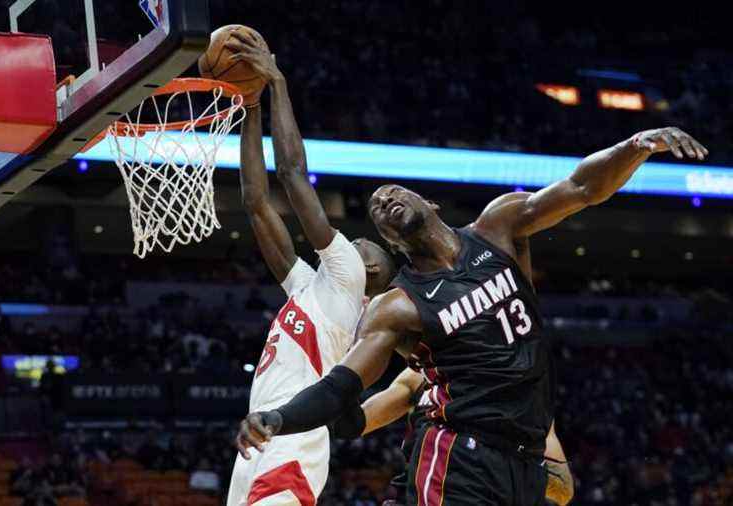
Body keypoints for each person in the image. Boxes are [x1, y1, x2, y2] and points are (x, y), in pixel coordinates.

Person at [236, 124, 708, 505]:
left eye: (393, 191)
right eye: (377, 211)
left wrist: (634, 145)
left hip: (523, 460)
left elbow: (582, 187)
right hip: (459, 455)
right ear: (394, 244)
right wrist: (278, 419)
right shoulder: (398, 306)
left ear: (430, 202)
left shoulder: (498, 226)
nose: (383, 201)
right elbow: (343, 388)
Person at [225, 29, 396, 506]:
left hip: (293, 440)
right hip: (259, 434)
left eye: (368, 245)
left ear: (374, 272)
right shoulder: (311, 286)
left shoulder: (349, 278)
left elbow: (293, 175)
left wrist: (277, 83)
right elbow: (257, 203)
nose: (357, 240)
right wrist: (250, 107)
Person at [331, 368, 574, 505]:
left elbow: (563, 489)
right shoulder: (419, 377)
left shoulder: (522, 395)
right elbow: (354, 424)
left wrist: (499, 461)